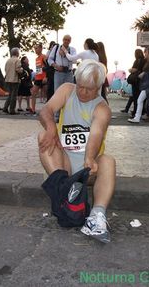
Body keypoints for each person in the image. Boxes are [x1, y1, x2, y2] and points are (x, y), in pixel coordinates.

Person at [38, 59, 116, 243]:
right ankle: (66, 190)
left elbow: (96, 135)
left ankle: (96, 217)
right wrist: (51, 128)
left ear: (98, 87)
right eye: (80, 86)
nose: (82, 92)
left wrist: (89, 158)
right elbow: (46, 110)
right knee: (43, 136)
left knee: (108, 161)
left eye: (89, 89)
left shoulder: (102, 108)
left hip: (87, 169)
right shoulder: (67, 89)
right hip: (63, 164)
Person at [122, 49, 145, 115]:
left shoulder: (137, 61)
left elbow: (134, 69)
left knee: (135, 97)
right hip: (142, 80)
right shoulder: (145, 60)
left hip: (136, 81)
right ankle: (141, 111)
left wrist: (130, 70)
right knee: (140, 98)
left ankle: (135, 112)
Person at [29, 43, 48, 114]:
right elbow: (38, 69)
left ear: (41, 48)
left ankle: (48, 111)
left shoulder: (44, 57)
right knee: (33, 93)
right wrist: (35, 77)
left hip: (44, 79)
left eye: (36, 48)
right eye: (34, 49)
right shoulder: (36, 58)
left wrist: (46, 77)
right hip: (37, 79)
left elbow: (48, 67)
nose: (35, 50)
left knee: (47, 94)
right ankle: (33, 110)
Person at [3, 47, 23, 115]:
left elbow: (5, 69)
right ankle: (12, 110)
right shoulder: (17, 60)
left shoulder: (8, 60)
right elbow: (18, 69)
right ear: (17, 53)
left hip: (8, 79)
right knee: (13, 95)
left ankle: (5, 108)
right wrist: (22, 70)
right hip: (15, 79)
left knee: (10, 94)